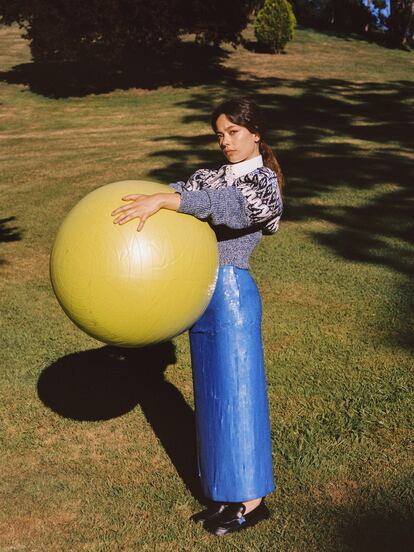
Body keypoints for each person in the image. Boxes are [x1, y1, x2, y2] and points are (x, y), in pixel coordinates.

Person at [111, 97, 283, 536]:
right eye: (220, 135)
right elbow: (181, 195)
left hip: (232, 292)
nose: (226, 142)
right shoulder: (209, 175)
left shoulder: (264, 181)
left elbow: (230, 208)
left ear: (256, 133)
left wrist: (171, 200)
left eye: (234, 133)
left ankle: (252, 500)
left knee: (239, 396)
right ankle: (225, 495)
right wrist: (158, 201)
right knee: (213, 398)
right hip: (197, 294)